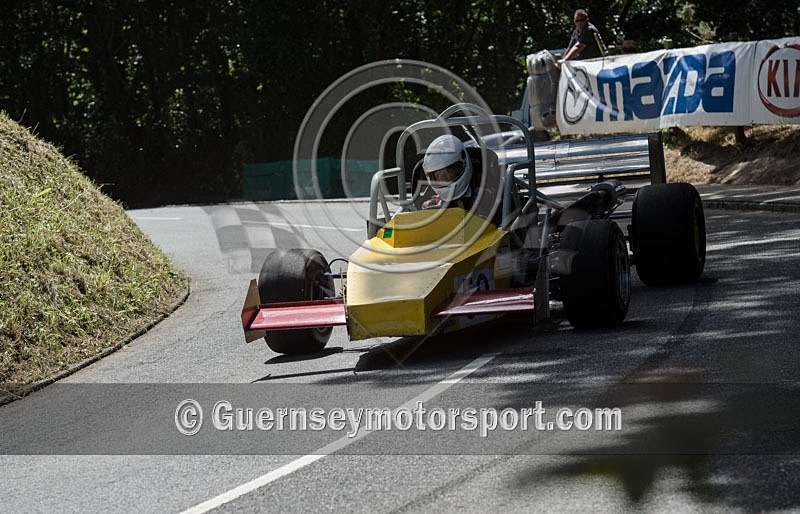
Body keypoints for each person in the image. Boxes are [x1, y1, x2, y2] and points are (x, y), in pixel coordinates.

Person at [415, 134, 502, 225]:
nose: (443, 178)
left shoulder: (487, 197)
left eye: (448, 173)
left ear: (463, 165)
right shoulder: (430, 205)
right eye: (438, 176)